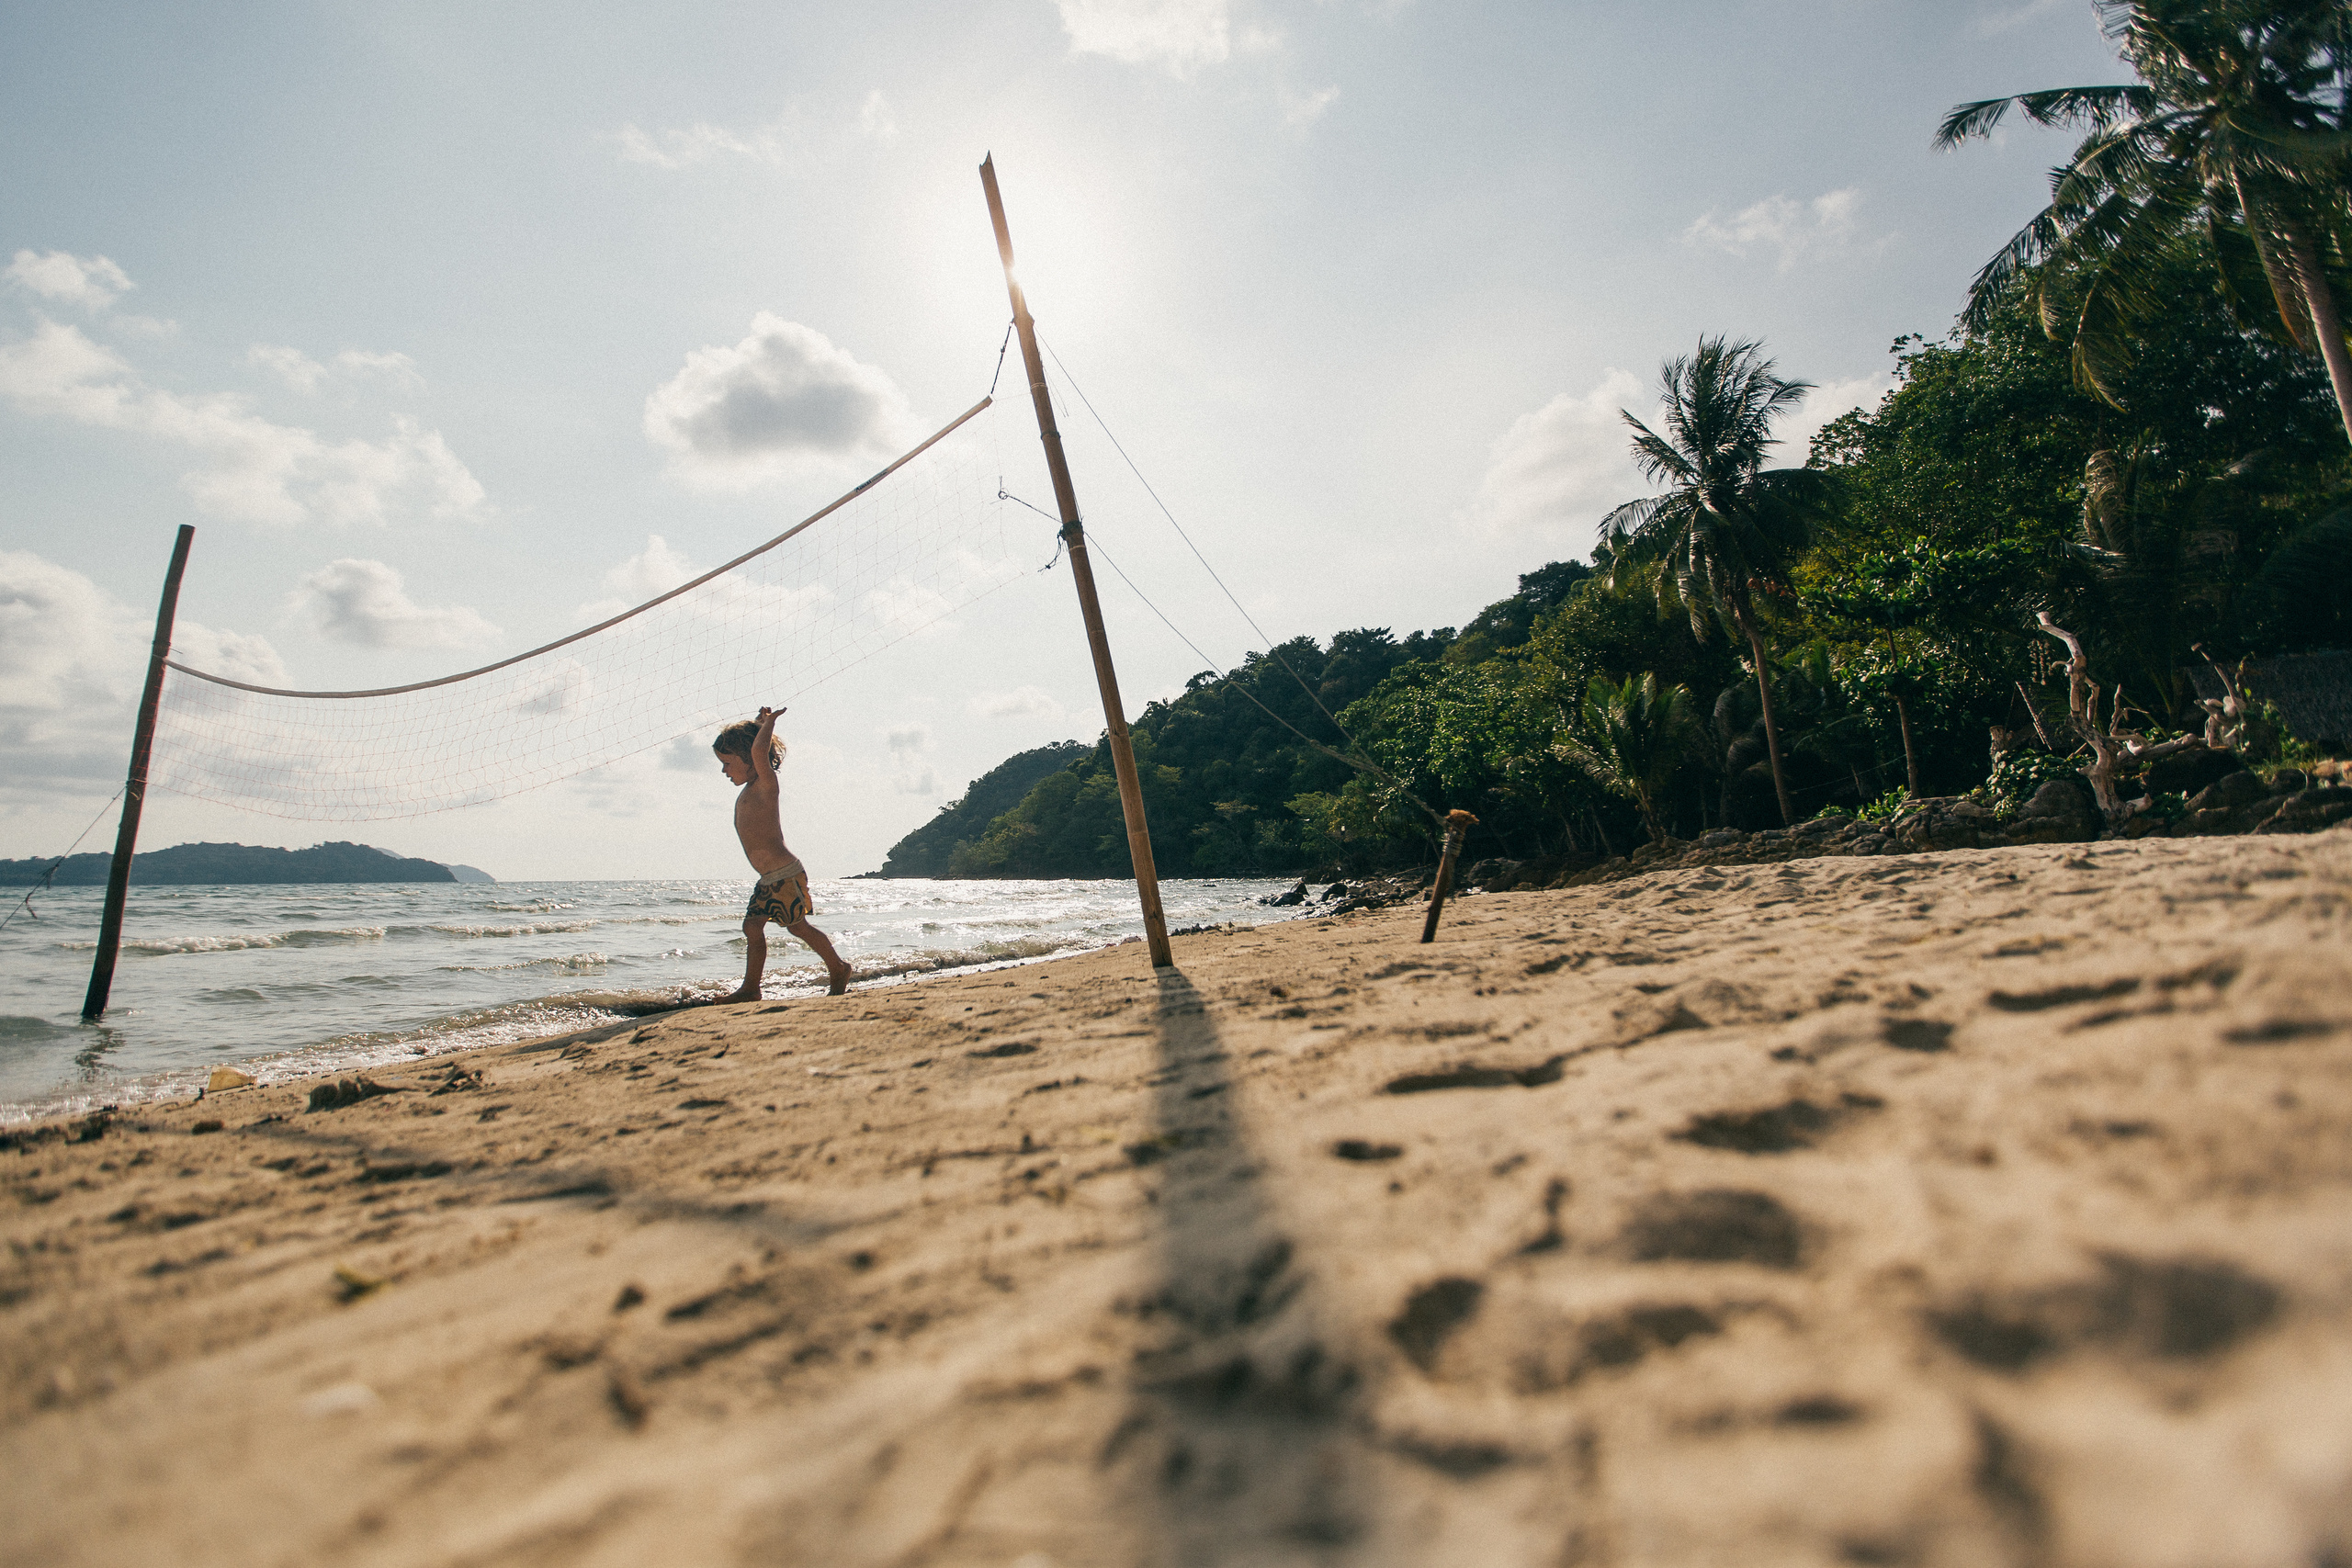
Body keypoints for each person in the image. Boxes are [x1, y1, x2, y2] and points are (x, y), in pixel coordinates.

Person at [712, 705, 853, 999]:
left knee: (798, 928)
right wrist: (758, 724)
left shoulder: (765, 784)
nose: (724, 770)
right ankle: (751, 988)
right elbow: (756, 748)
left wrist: (768, 725)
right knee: (752, 927)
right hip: (769, 879)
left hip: (785, 874)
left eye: (727, 763)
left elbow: (759, 750)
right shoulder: (749, 790)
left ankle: (838, 968)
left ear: (749, 758)